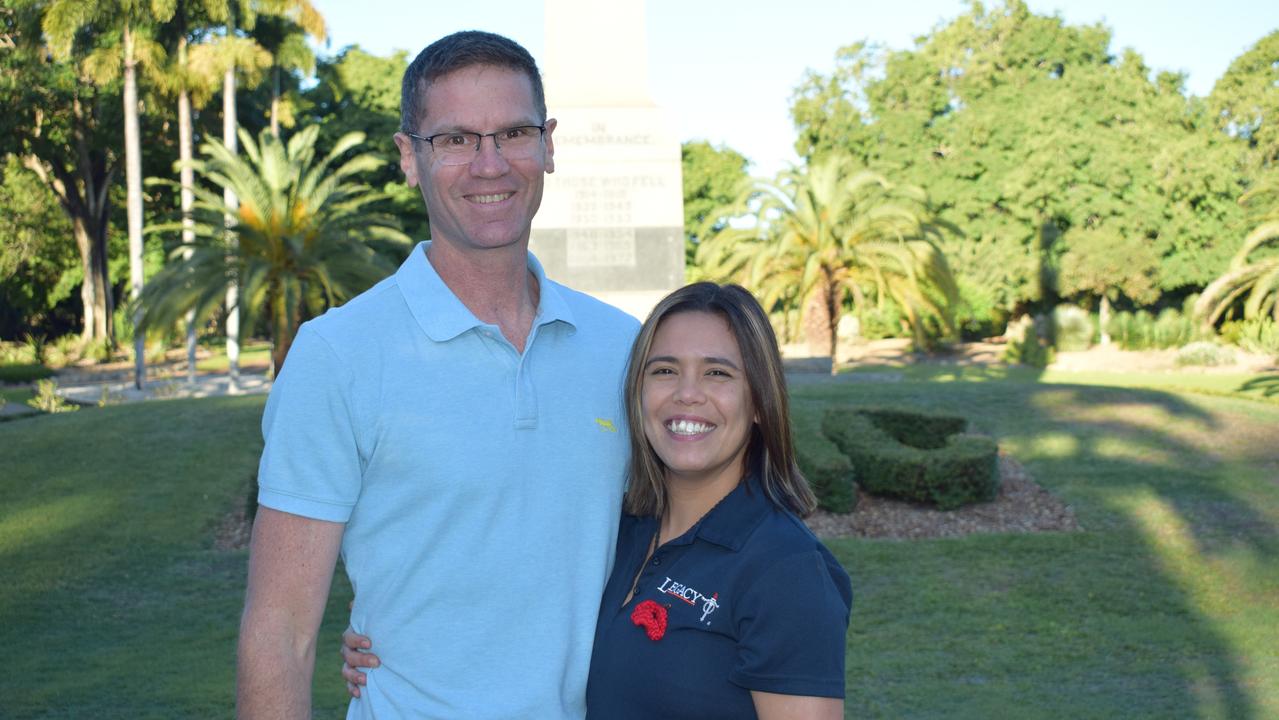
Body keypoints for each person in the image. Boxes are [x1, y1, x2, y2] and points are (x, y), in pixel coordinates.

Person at [236, 30, 639, 719]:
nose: (490, 164)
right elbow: (280, 633)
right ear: (408, 157)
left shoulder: (624, 348)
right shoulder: (338, 355)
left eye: (512, 133)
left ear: (547, 144)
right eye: (455, 140)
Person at [343, 283, 852, 718]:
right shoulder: (620, 533)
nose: (687, 394)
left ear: (761, 401)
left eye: (718, 373)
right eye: (664, 370)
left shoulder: (786, 570)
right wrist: (394, 645)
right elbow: (509, 604)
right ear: (637, 392)